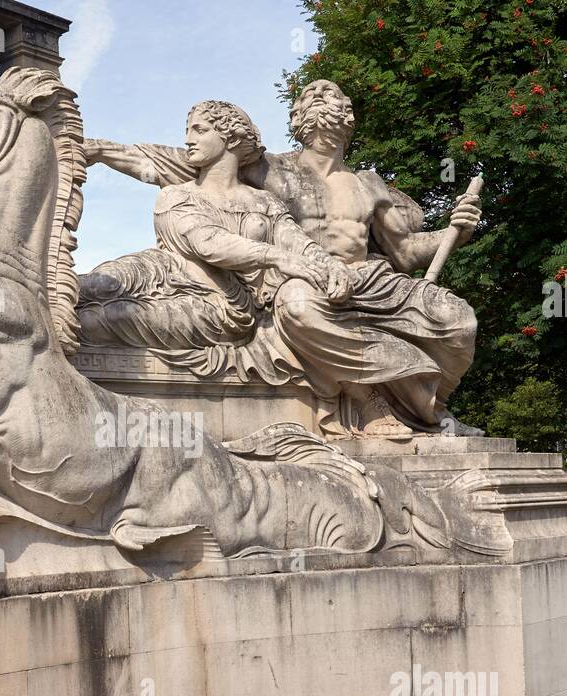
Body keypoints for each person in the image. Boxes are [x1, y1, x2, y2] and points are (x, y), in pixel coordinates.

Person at [83, 80, 484, 438]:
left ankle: (431, 414)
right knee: (297, 306)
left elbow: (405, 251)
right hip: (300, 283)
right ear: (297, 119)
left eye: (330, 93)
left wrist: (455, 232)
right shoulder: (272, 170)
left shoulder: (369, 184)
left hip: (370, 279)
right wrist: (101, 150)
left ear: (348, 113)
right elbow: (173, 162)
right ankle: (380, 403)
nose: (319, 96)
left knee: (459, 321)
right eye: (310, 95)